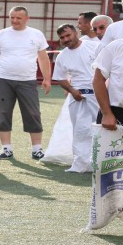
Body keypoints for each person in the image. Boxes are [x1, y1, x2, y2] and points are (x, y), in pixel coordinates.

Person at [0, 6, 52, 160]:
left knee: (33, 113)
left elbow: (43, 58)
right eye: (12, 17)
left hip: (27, 81)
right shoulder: (1, 34)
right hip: (3, 80)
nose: (15, 20)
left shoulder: (36, 34)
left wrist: (47, 78)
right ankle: (6, 149)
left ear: (27, 19)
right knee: (2, 112)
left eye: (18, 18)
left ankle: (37, 149)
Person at [50, 24, 99, 172]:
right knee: (79, 130)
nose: (65, 39)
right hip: (77, 96)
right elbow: (59, 78)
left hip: (98, 94)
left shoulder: (95, 46)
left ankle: (99, 162)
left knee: (99, 129)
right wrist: (72, 90)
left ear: (76, 33)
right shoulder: (62, 56)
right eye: (62, 38)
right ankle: (81, 163)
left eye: (68, 35)